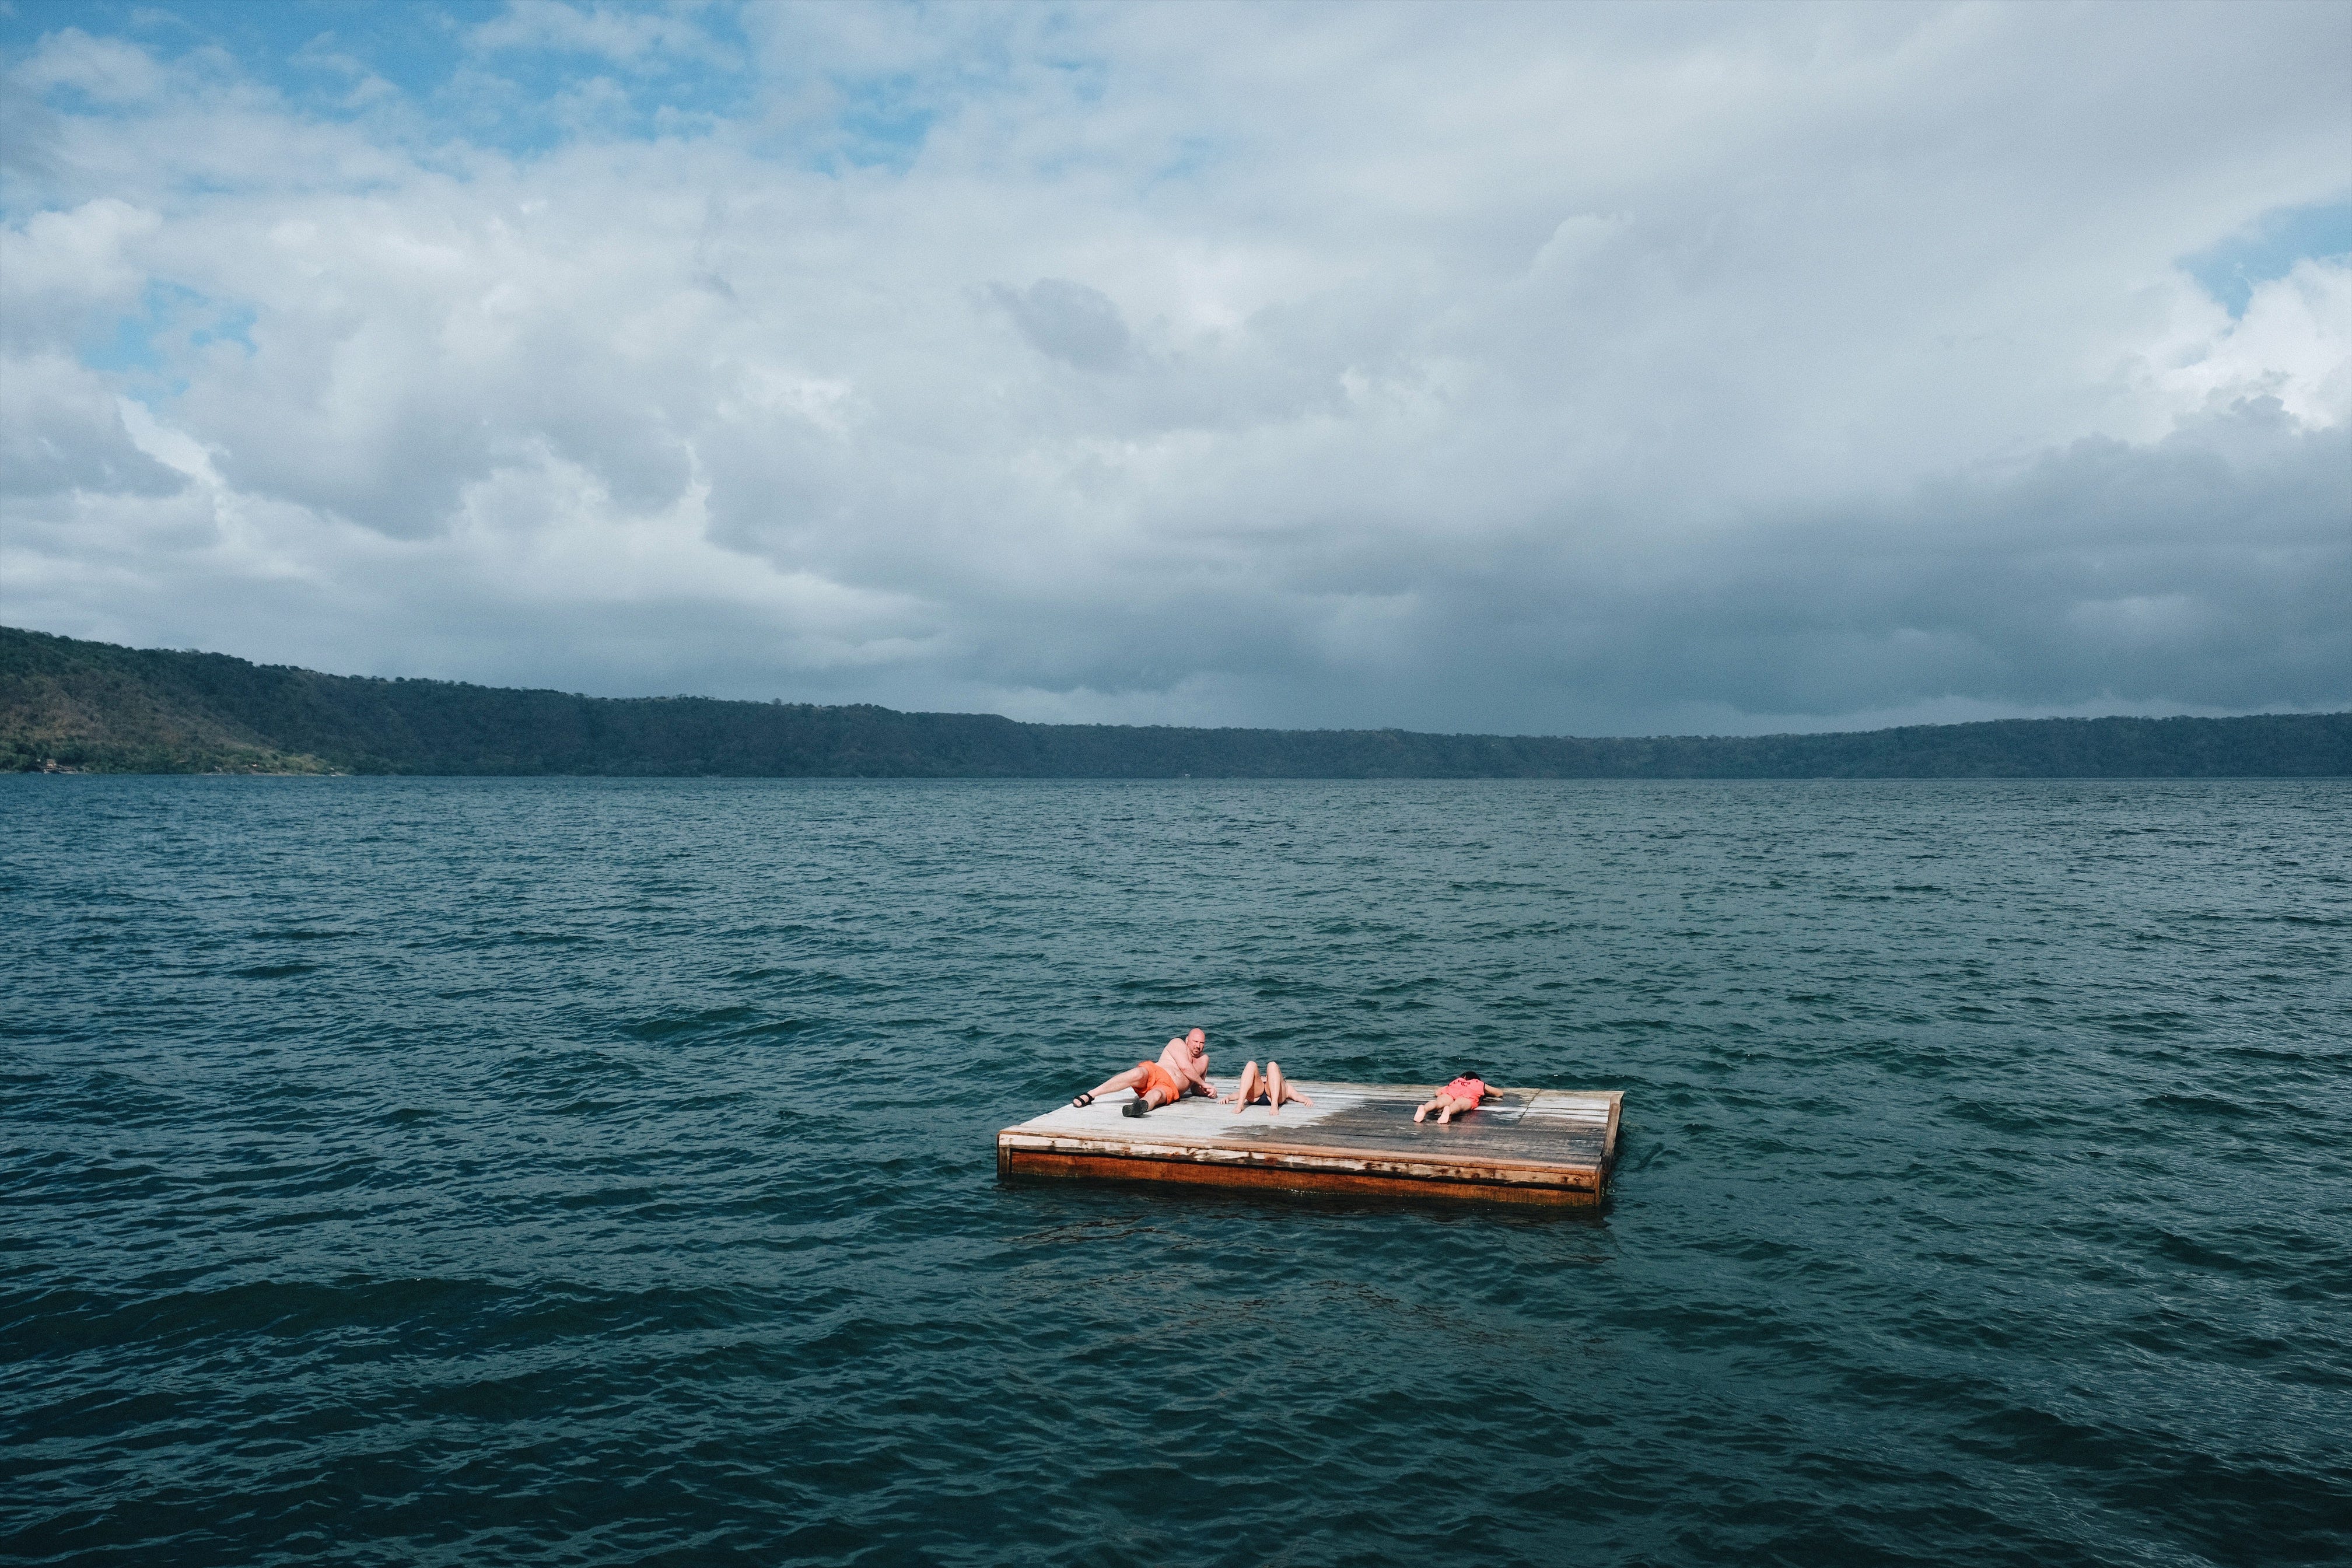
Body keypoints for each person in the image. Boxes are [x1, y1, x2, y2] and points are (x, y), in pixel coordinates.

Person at [1070, 1027, 1215, 1118]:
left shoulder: (1204, 1060)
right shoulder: (1178, 1043)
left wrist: (1207, 1092)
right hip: (1156, 1072)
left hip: (1170, 1088)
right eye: (1195, 1041)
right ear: (1188, 1039)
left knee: (1157, 1095)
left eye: (1202, 1043)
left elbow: (1196, 1088)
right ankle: (1091, 1094)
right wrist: (1205, 1084)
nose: (1198, 1046)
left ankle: (1139, 1107)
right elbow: (1185, 1068)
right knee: (1137, 1074)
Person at [1225, 1059, 1314, 1116]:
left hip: (1275, 1098)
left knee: (1272, 1065)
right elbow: (1241, 1093)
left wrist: (1306, 1099)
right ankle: (1240, 1104)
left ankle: (1274, 1105)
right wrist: (1229, 1097)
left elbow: (1296, 1096)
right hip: (1256, 1095)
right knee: (1251, 1064)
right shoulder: (1257, 1083)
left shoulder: (1286, 1087)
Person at [1414, 1072, 1494, 1124]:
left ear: (1464, 1077)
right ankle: (1449, 1111)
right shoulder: (1478, 1083)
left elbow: (1437, 1092)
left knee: (1439, 1103)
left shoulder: (1457, 1081)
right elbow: (1498, 1093)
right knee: (1459, 1105)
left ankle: (1425, 1109)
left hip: (1450, 1093)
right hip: (1467, 1096)